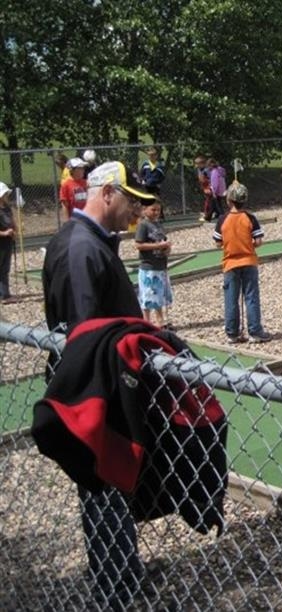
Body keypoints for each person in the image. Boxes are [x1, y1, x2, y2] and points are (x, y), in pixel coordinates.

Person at [41, 160, 156, 609]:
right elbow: (84, 338)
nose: (135, 210)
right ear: (107, 192)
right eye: (131, 200)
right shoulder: (81, 249)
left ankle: (123, 573)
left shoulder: (92, 242)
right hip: (97, 396)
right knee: (102, 489)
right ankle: (116, 590)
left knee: (112, 488)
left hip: (108, 391)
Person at [213, 181, 270, 343]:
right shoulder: (250, 218)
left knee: (231, 298)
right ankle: (255, 331)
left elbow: (218, 242)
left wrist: (231, 244)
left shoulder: (223, 219)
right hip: (249, 261)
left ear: (229, 201)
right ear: (245, 200)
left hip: (230, 263)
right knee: (251, 296)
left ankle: (233, 333)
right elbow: (258, 241)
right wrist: (247, 245)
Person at [134, 198, 174, 328]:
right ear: (144, 210)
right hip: (149, 267)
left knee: (159, 295)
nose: (156, 212)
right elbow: (138, 245)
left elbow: (163, 240)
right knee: (148, 296)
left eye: (158, 210)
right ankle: (147, 322)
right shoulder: (143, 225)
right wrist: (158, 245)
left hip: (161, 265)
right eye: (153, 209)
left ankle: (160, 321)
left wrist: (167, 248)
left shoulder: (158, 224)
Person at [0, 182, 16, 302]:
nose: (7, 196)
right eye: (5, 194)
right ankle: (4, 295)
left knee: (5, 268)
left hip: (8, 242)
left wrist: (14, 230)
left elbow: (12, 221)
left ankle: (5, 294)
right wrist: (4, 233)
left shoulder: (7, 208)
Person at [195, 155, 214, 221]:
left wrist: (209, 187)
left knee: (208, 202)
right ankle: (207, 214)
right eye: (196, 164)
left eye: (198, 164)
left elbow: (211, 179)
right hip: (203, 187)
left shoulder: (206, 170)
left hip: (208, 187)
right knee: (206, 201)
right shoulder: (199, 170)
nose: (197, 165)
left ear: (202, 164)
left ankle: (207, 215)